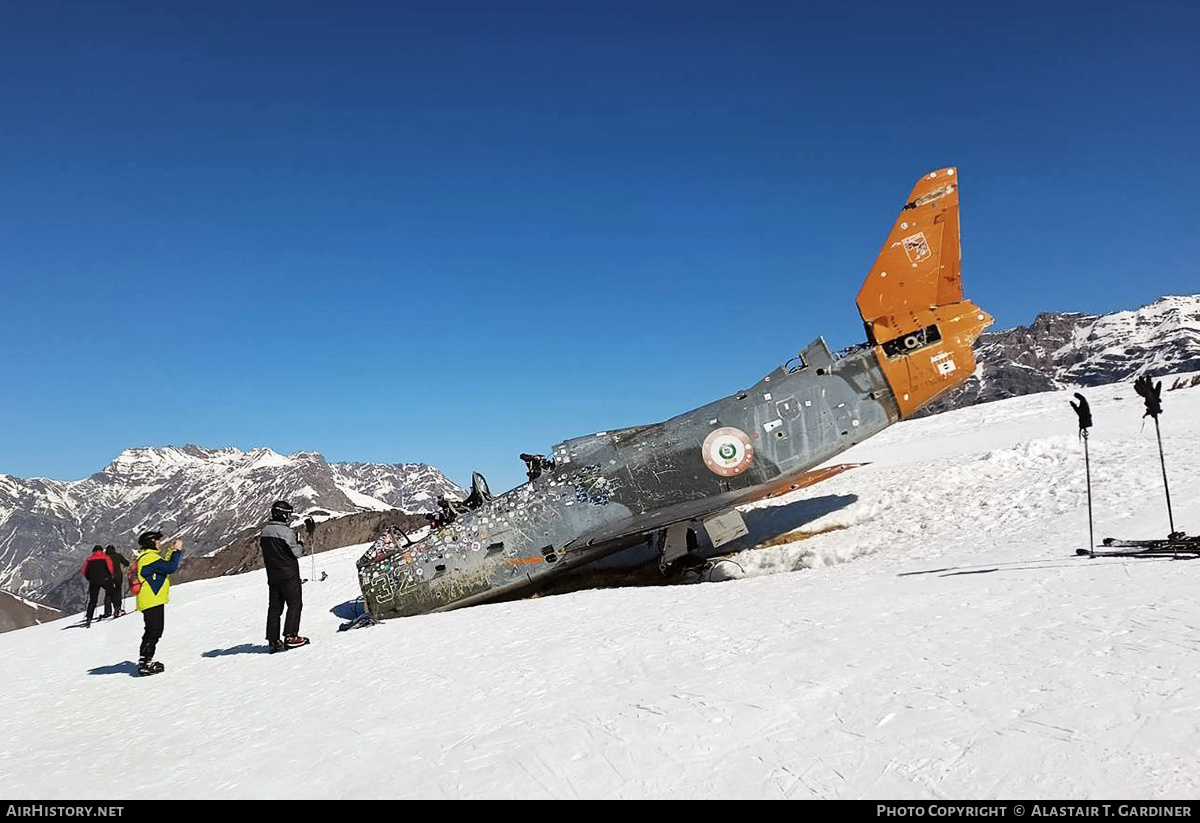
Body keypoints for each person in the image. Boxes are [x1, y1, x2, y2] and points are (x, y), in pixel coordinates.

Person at [259, 500, 310, 653]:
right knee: (295, 604)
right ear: (283, 514)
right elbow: (297, 552)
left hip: (272, 575)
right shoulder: (286, 532)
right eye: (288, 514)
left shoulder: (264, 532)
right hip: (289, 574)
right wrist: (300, 543)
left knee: (275, 608)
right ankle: (291, 636)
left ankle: (273, 640)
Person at [133, 530, 184, 676]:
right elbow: (170, 567)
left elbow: (163, 568)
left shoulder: (148, 557)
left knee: (152, 630)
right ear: (151, 543)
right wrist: (177, 551)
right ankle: (145, 662)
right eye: (157, 541)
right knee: (154, 630)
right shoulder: (148, 558)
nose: (159, 543)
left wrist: (171, 551)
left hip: (151, 599)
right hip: (152, 600)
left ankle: (145, 660)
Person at [80, 545, 118, 628]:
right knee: (112, 593)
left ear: (93, 551)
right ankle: (116, 610)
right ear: (102, 550)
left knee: (93, 600)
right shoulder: (106, 557)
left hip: (93, 581)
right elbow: (111, 569)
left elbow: (83, 571)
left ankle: (89, 617)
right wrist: (110, 576)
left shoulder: (89, 559)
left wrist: (89, 578)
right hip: (105, 580)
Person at [102, 545, 131, 618]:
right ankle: (117, 608)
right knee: (118, 591)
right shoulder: (118, 556)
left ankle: (107, 611)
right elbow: (127, 563)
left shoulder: (104, 557)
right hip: (118, 576)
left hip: (108, 577)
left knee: (108, 593)